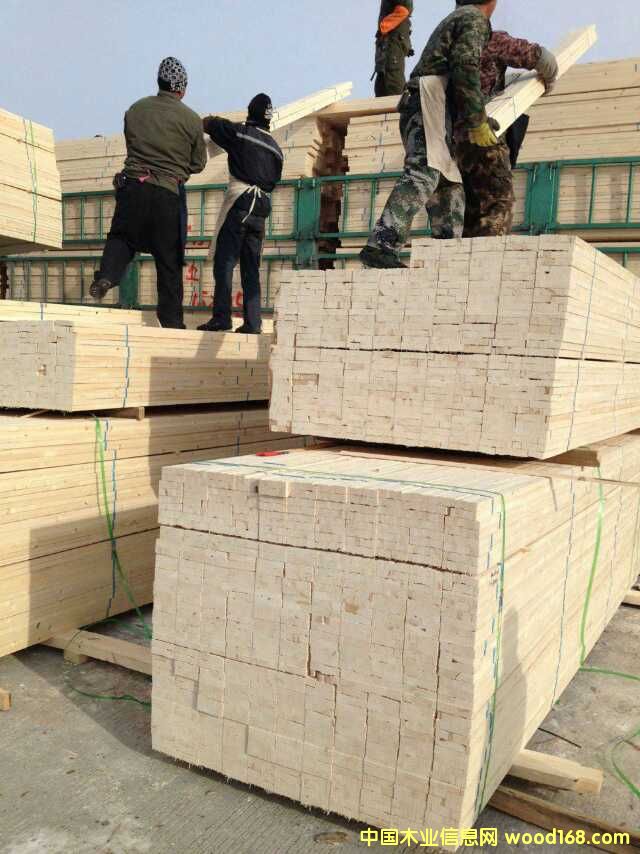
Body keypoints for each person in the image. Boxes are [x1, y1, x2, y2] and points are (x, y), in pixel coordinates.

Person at [361, 0, 498, 270]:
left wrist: (477, 115)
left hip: (440, 108)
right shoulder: (473, 18)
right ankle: (381, 245)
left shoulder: (462, 17)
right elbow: (465, 66)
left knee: (449, 184)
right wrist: (476, 119)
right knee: (425, 170)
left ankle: (445, 259)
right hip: (429, 100)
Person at [90, 58, 206, 328]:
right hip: (167, 195)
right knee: (168, 262)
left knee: (122, 238)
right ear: (183, 89)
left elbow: (132, 144)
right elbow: (198, 163)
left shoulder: (135, 110)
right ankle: (172, 323)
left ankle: (107, 276)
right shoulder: (191, 120)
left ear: (159, 82)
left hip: (132, 188)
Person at [457, 30, 558, 236]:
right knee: (498, 201)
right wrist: (548, 82)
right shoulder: (490, 39)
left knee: (472, 207)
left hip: (457, 142)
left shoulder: (449, 48)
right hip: (485, 133)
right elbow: (542, 58)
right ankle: (488, 253)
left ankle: (466, 252)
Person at [197, 95, 283, 334]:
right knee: (250, 267)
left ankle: (221, 318)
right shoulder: (277, 150)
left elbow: (212, 124)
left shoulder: (241, 134)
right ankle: (253, 323)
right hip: (261, 209)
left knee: (224, 261)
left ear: (250, 112)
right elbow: (273, 180)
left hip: (242, 202)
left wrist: (197, 122)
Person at [374, 1, 414, 97]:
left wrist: (385, 25)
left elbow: (404, 9)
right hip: (389, 46)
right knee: (382, 86)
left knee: (393, 83)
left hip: (392, 44)